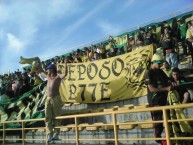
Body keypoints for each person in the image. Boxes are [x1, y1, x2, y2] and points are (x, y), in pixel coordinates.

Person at [37, 60, 68, 142]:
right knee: (47, 117)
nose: (47, 70)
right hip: (48, 99)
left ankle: (56, 134)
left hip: (56, 98)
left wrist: (65, 64)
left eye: (49, 69)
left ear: (53, 69)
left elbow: (65, 74)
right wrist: (38, 65)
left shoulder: (57, 77)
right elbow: (40, 71)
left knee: (57, 117)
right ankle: (49, 134)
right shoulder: (48, 77)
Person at [145, 53, 172, 145]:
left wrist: (172, 83)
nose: (161, 65)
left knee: (168, 120)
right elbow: (152, 89)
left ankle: (167, 139)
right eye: (159, 63)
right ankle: (158, 140)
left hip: (164, 100)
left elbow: (168, 80)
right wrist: (166, 89)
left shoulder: (160, 71)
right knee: (158, 122)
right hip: (155, 101)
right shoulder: (149, 73)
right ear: (154, 62)